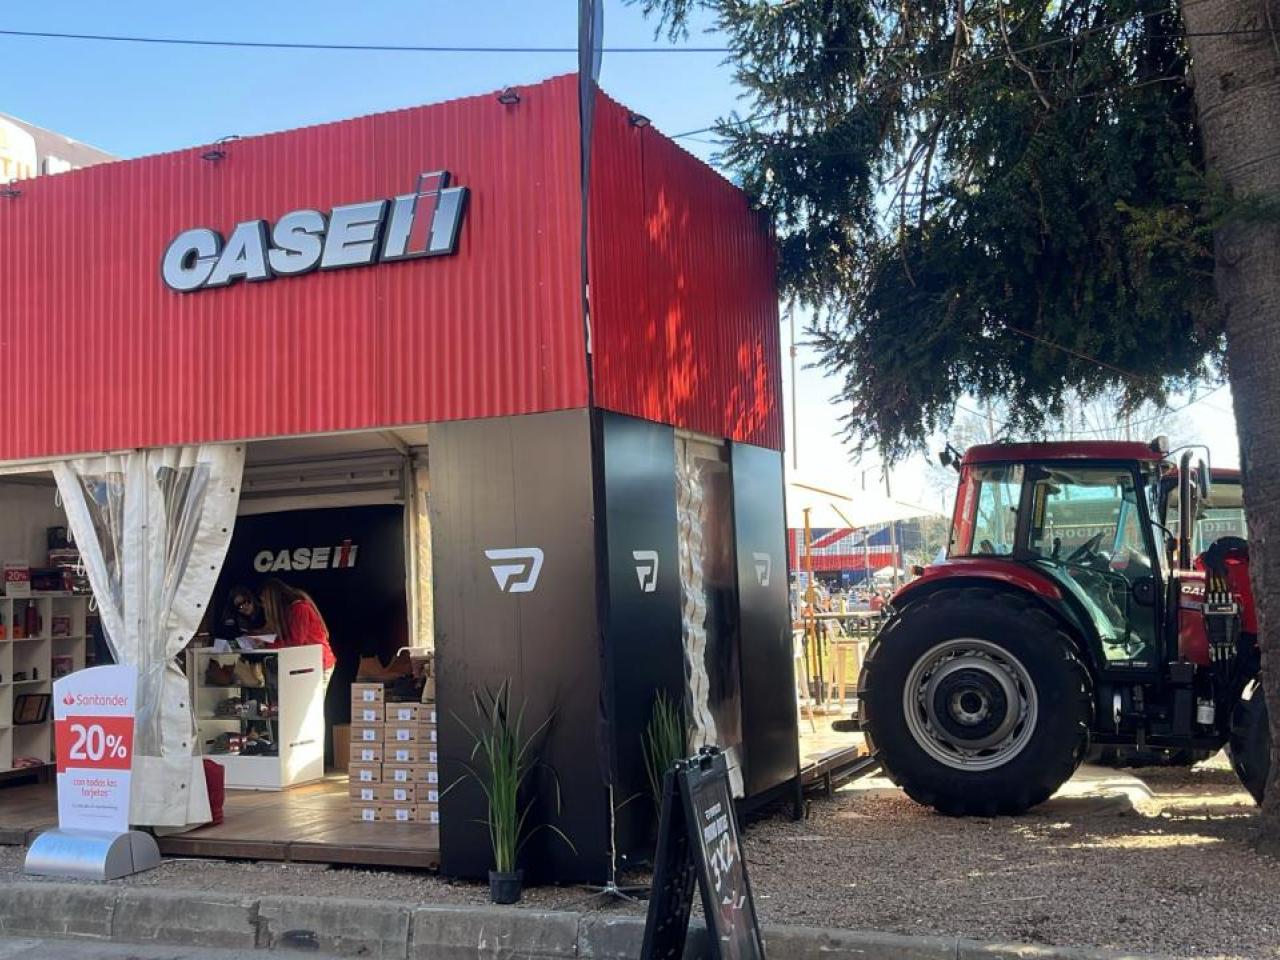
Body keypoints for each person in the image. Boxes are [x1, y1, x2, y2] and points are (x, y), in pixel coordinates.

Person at [258, 578, 336, 679]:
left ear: (271, 600)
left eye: (264, 601)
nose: (264, 606)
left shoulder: (299, 608)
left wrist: (266, 645)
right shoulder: (290, 610)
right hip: (308, 665)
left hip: (319, 665)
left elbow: (294, 643)